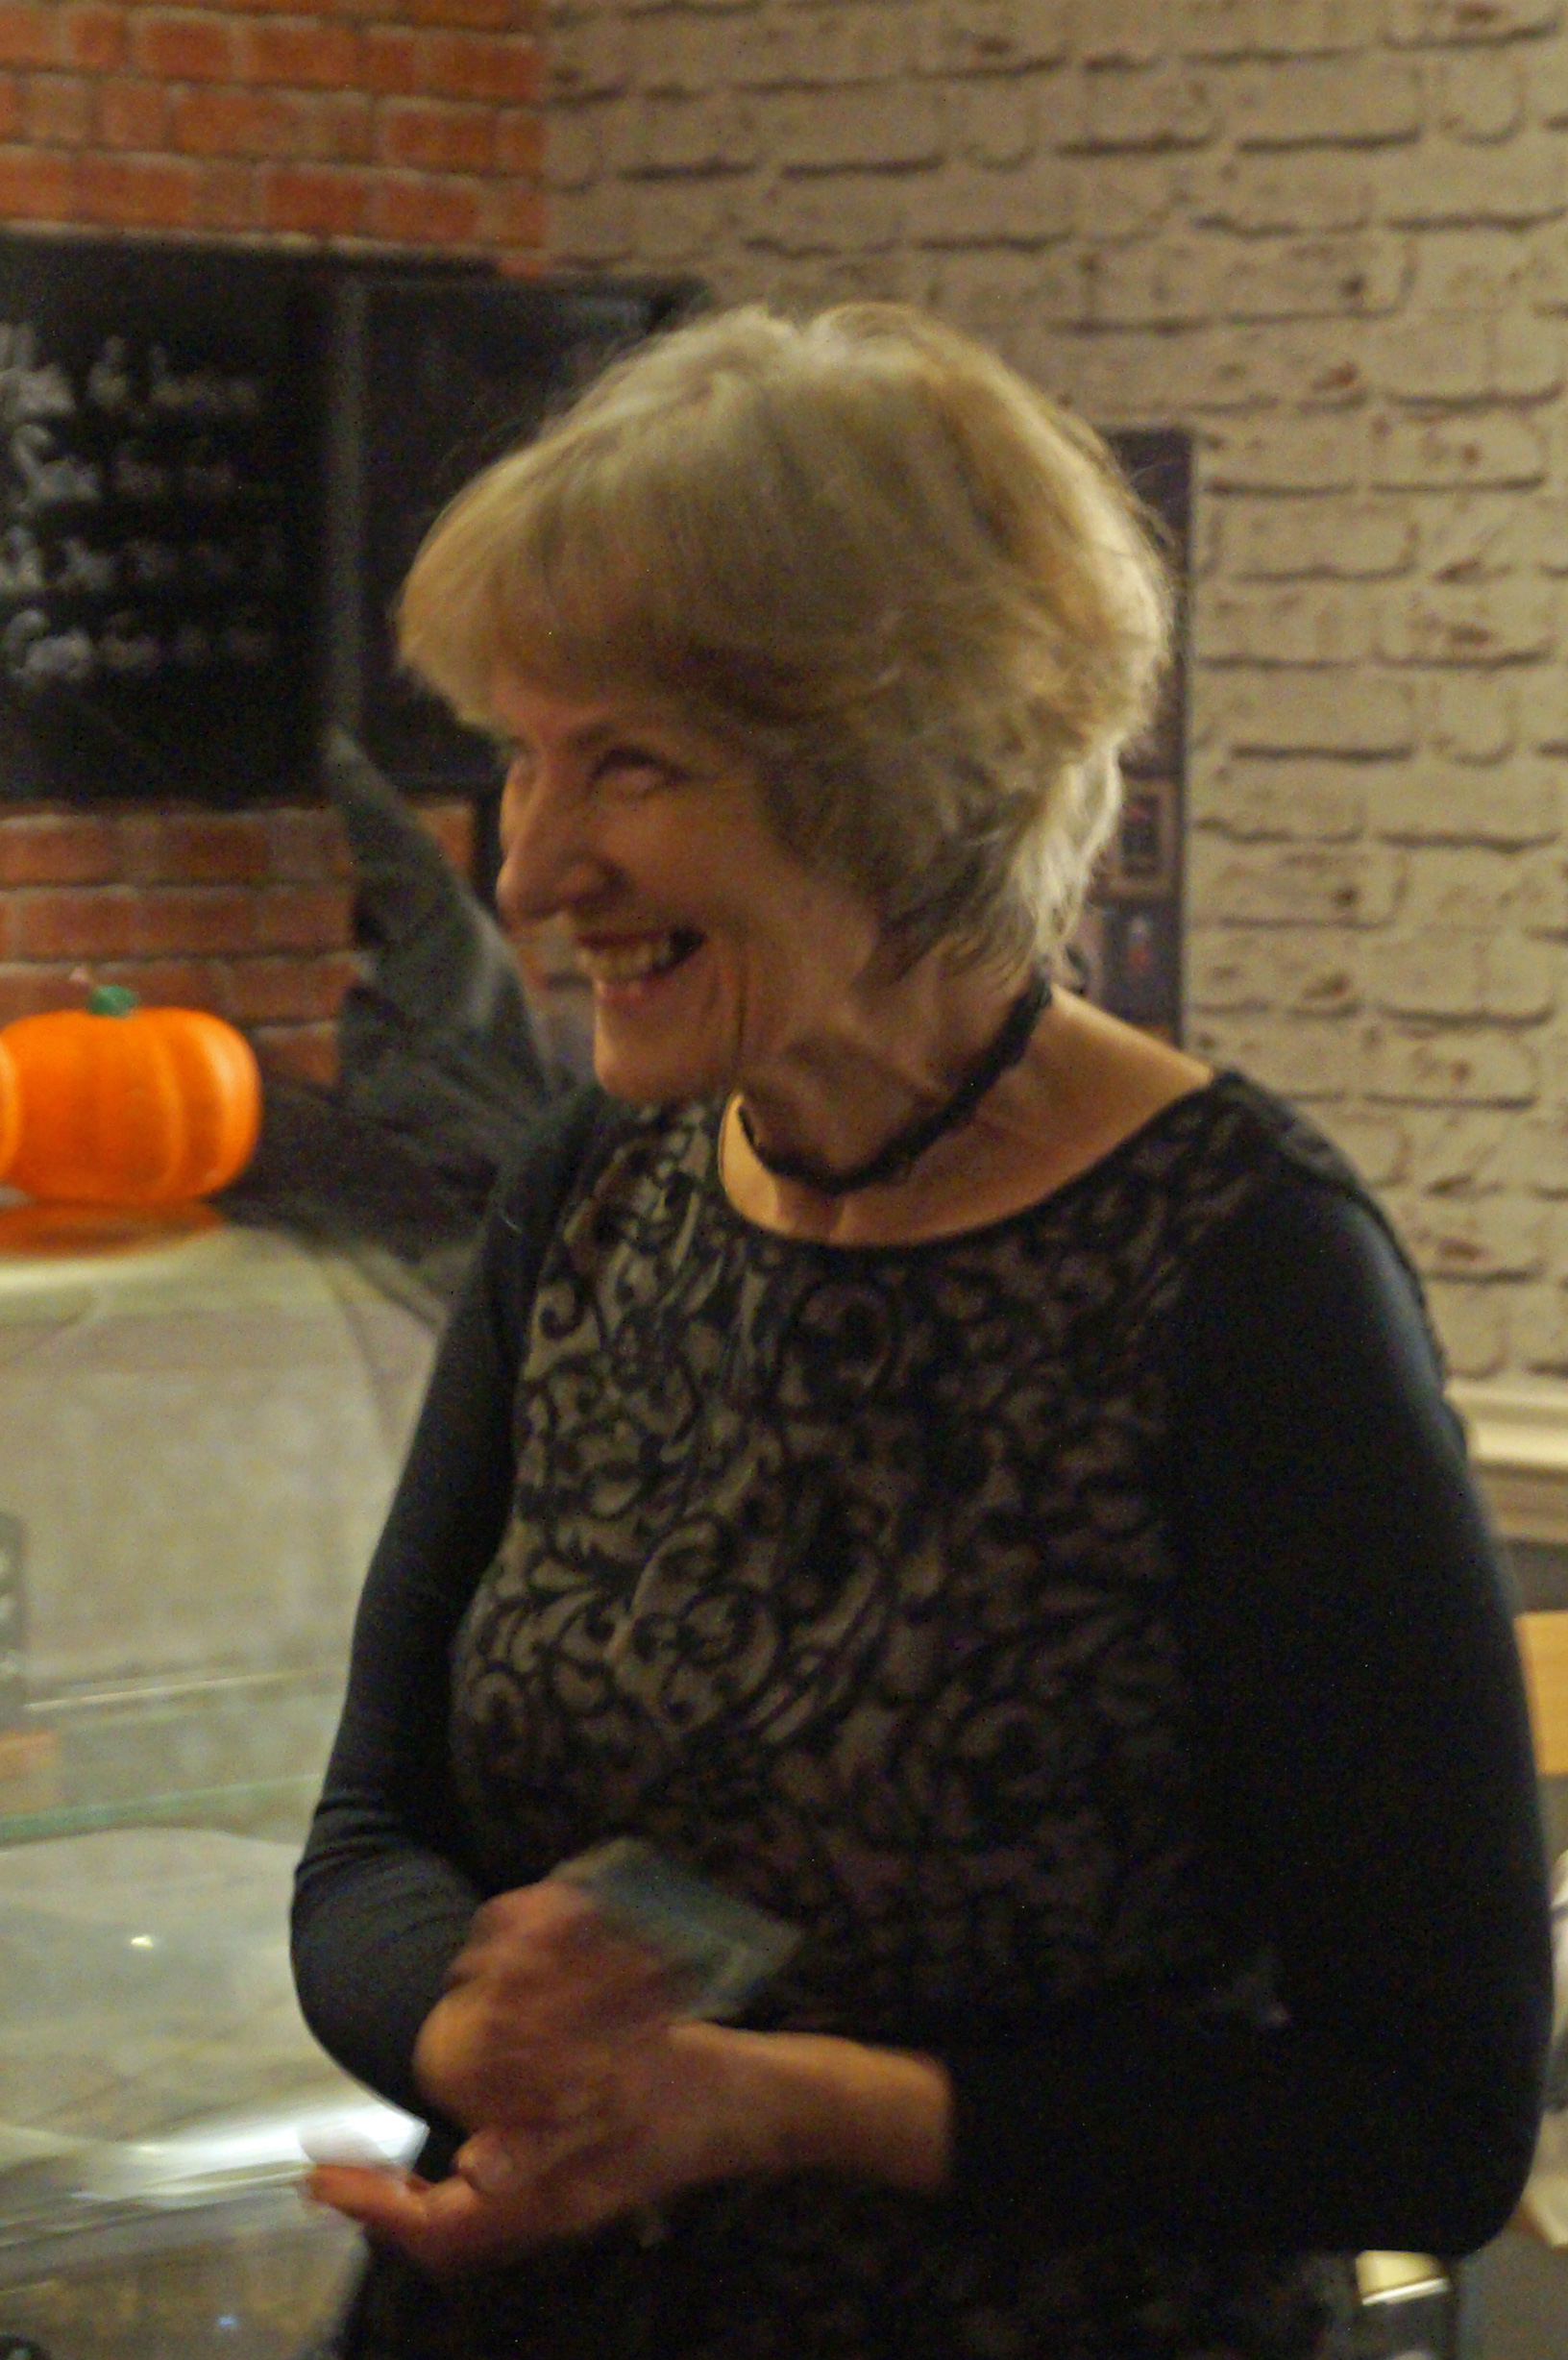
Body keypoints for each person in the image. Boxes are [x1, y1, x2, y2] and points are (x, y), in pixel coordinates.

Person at [291, 303, 1552, 2360]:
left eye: (627, 765)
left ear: (898, 783)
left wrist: (785, 2105)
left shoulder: (1245, 1277)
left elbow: (1426, 2119)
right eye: (520, 757)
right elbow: (370, 1845)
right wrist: (472, 2025)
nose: (526, 870)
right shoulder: (592, 1191)